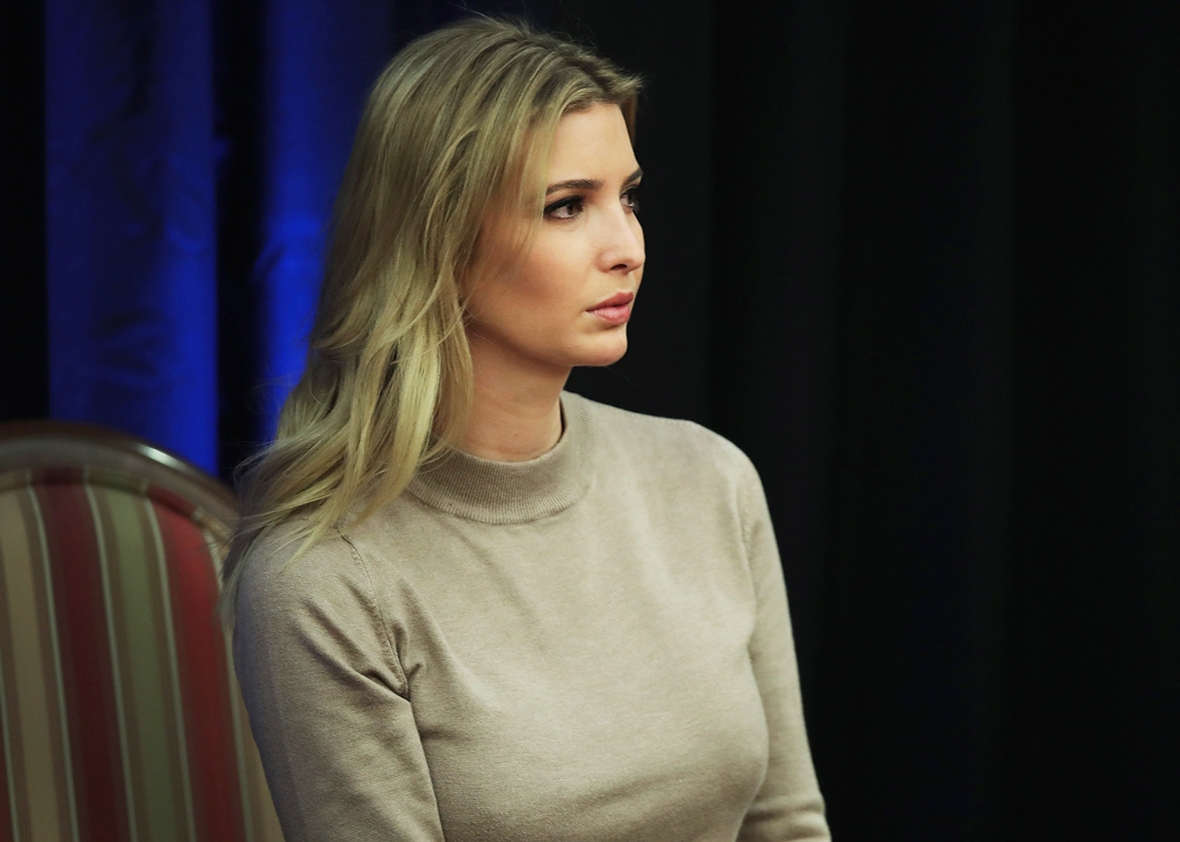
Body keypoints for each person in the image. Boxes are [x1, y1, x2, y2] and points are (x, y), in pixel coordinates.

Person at [222, 15, 830, 842]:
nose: (628, 246)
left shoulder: (709, 480)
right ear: (437, 241)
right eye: (567, 207)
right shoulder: (324, 576)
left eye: (628, 197)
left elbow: (787, 825)